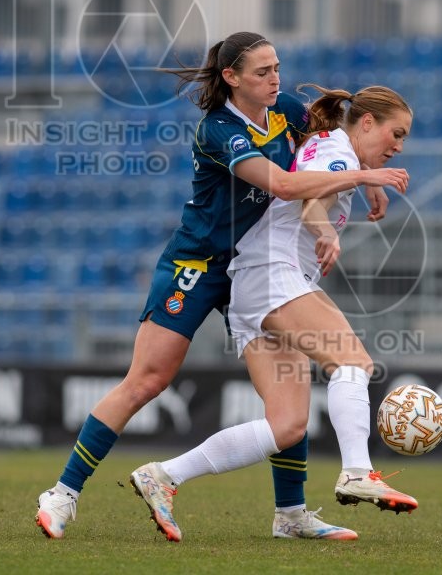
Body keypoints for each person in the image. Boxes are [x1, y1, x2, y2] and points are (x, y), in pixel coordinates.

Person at [35, 32, 409, 541]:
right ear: (232, 78)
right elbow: (283, 184)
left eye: (277, 67)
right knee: (148, 379)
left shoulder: (289, 110)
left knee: (289, 414)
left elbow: (323, 158)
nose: (275, 78)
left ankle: (290, 513)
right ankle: (64, 493)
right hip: (200, 261)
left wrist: (353, 181)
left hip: (253, 263)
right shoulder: (219, 131)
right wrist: (366, 179)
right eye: (262, 71)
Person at [130, 83, 416, 541]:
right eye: (395, 133)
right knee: (353, 362)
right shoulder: (340, 154)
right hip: (272, 274)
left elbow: (321, 181)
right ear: (366, 122)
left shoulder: (334, 148)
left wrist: (363, 184)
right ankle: (357, 472)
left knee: (286, 426)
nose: (399, 146)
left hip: (256, 284)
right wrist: (328, 229)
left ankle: (163, 475)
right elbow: (311, 206)